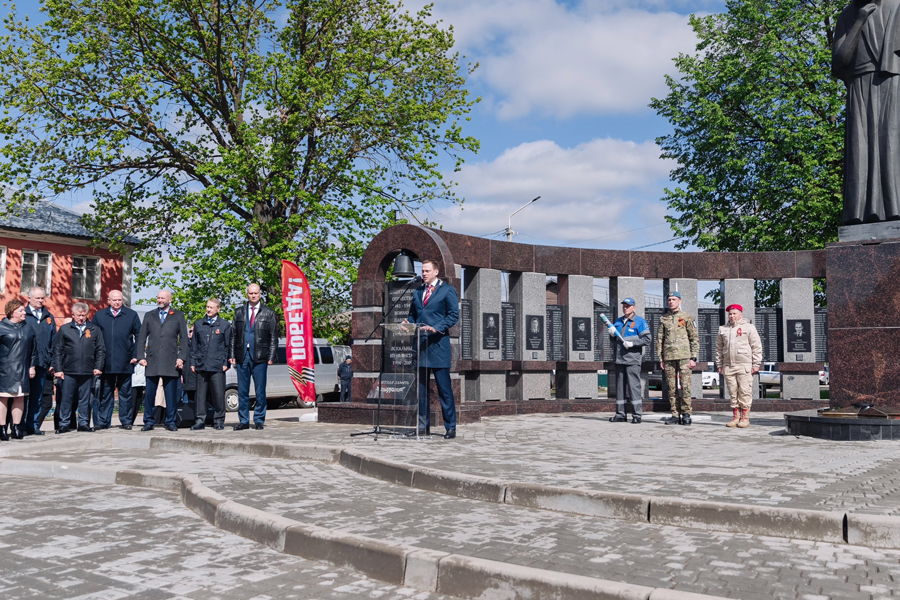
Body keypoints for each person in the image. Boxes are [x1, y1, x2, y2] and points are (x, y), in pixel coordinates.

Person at [833, 0, 900, 225]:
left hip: (891, 81)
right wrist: (859, 21)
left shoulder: (897, 6)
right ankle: (858, 214)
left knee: (891, 146)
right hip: (858, 86)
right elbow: (839, 61)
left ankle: (894, 210)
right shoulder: (848, 15)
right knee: (859, 151)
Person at [406, 259, 459, 439]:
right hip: (420, 347)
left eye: (427, 271)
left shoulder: (447, 290)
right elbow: (413, 315)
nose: (424, 274)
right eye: (422, 271)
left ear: (436, 272)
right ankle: (422, 427)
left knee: (444, 390)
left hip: (438, 346)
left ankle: (450, 427)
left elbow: (453, 315)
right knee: (421, 391)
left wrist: (437, 327)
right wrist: (408, 323)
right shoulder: (418, 291)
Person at [137, 290, 189, 432]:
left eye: (163, 298)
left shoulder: (178, 315)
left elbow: (184, 339)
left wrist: (181, 357)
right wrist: (141, 357)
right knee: (149, 395)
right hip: (152, 361)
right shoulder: (149, 315)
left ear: (170, 300)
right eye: (158, 298)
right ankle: (148, 421)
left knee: (170, 395)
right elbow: (141, 338)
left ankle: (171, 421)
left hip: (170, 361)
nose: (160, 300)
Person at [230, 284, 278, 430]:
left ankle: (258, 420)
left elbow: (273, 336)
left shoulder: (268, 313)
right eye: (251, 293)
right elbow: (233, 335)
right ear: (247, 294)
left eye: (255, 293)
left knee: (260, 391)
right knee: (242, 391)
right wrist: (231, 354)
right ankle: (244, 421)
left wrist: (271, 355)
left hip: (260, 356)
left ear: (260, 294)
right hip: (242, 356)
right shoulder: (239, 312)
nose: (253, 295)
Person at [53, 302, 106, 433]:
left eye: (83, 315)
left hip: (88, 371)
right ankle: (64, 424)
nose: (81, 318)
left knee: (85, 400)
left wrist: (98, 366)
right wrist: (58, 369)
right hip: (68, 371)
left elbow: (100, 350)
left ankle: (83, 423)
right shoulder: (65, 329)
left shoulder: (94, 330)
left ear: (87, 315)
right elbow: (57, 350)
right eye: (78, 315)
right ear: (73, 315)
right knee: (66, 399)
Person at [93, 290, 142, 430]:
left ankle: (126, 421)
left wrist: (136, 355)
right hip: (105, 362)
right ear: (108, 300)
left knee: (125, 394)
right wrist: (96, 359)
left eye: (119, 300)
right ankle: (103, 421)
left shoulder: (131, 315)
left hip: (125, 361)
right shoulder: (100, 315)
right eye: (114, 300)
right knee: (105, 393)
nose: (117, 302)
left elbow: (139, 335)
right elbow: (93, 336)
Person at [656, 291, 699, 426]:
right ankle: (675, 414)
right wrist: (661, 359)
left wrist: (693, 357)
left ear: (680, 301)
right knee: (671, 387)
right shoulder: (664, 319)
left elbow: (694, 338)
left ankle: (686, 414)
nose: (671, 302)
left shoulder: (687, 317)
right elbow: (660, 340)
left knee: (686, 387)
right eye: (669, 300)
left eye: (674, 299)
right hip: (669, 358)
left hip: (684, 357)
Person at [716, 304, 762, 428]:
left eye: (734, 313)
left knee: (744, 391)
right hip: (728, 365)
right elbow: (719, 348)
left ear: (741, 315)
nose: (731, 316)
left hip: (744, 365)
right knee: (732, 392)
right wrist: (719, 364)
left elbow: (756, 346)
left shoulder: (749, 327)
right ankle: (736, 417)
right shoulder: (723, 329)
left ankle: (744, 418)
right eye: (730, 314)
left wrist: (756, 363)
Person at [608, 297, 651, 424]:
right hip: (619, 359)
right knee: (620, 388)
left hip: (632, 360)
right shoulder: (618, 321)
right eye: (624, 306)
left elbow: (647, 339)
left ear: (634, 308)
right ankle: (620, 414)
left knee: (634, 388)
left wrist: (633, 343)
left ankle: (637, 415)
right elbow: (615, 341)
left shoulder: (640, 322)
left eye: (628, 306)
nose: (625, 308)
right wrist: (611, 335)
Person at [190, 299, 232, 430]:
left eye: (211, 307)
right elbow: (194, 345)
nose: (208, 309)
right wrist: (193, 362)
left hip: (217, 365)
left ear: (218, 309)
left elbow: (228, 346)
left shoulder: (225, 325)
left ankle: (219, 420)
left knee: (218, 394)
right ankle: (200, 420)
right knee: (200, 395)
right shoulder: (199, 324)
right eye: (207, 307)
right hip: (201, 364)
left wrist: (226, 362)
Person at [0, 299, 38, 440]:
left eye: (24, 310)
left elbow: (34, 350)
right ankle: (2, 428)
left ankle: (16, 427)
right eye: (20, 310)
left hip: (23, 369)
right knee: (3, 398)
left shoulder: (28, 328)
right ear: (12, 312)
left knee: (20, 397)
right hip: (5, 369)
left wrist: (32, 366)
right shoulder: (1, 327)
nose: (24, 313)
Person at [23, 286, 55, 435]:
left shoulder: (49, 317)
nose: (41, 301)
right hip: (25, 363)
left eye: (42, 298)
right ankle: (19, 425)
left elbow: (54, 341)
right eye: (37, 298)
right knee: (22, 396)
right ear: (29, 298)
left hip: (42, 363)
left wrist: (52, 362)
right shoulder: (23, 315)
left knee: (37, 397)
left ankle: (33, 425)